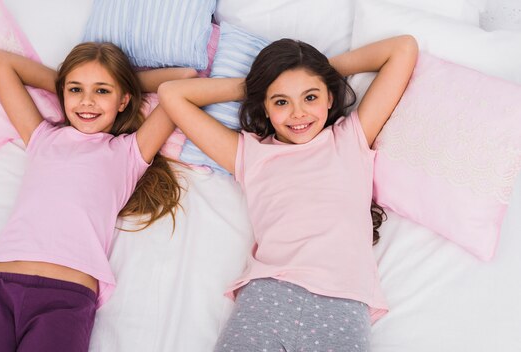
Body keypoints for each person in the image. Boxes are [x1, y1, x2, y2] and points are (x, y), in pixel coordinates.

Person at [158, 35, 418, 351]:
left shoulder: (351, 138)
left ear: (330, 99)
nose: (298, 113)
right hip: (269, 296)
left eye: (310, 97)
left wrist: (320, 69)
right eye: (281, 101)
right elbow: (171, 94)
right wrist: (260, 84)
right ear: (265, 108)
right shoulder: (249, 154)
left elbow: (403, 48)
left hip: (344, 303)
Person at [0, 42, 196, 352]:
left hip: (66, 297)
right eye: (75, 90)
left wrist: (122, 83)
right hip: (1, 287)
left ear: (125, 99)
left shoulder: (129, 152)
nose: (87, 102)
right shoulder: (42, 136)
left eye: (101, 91)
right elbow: (0, 61)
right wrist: (85, 85)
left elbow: (184, 80)